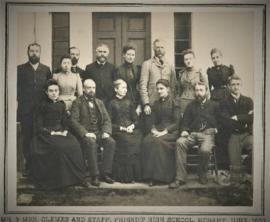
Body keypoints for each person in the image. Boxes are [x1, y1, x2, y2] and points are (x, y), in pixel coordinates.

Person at [30, 79, 89, 190]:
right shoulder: (41, 106)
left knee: (75, 144)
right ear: (46, 93)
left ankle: (78, 178)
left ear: (59, 92)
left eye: (56, 90)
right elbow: (38, 126)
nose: (54, 93)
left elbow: (65, 121)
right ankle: (61, 181)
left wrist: (65, 130)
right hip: (45, 135)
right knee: (59, 148)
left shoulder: (61, 105)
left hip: (61, 132)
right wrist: (52, 132)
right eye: (51, 91)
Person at [169, 81, 219, 188]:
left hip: (207, 135)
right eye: (197, 90)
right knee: (179, 142)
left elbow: (220, 121)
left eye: (201, 90)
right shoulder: (190, 106)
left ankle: (202, 173)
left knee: (205, 150)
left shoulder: (214, 105)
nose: (198, 93)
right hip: (192, 134)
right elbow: (185, 122)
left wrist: (216, 129)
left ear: (206, 91)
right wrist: (184, 130)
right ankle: (180, 178)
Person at [70, 79, 116, 187]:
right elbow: (73, 121)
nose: (92, 90)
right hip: (86, 134)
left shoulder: (99, 102)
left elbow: (106, 119)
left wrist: (106, 132)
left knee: (111, 142)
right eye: (89, 88)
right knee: (91, 143)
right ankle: (95, 175)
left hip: (99, 132)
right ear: (84, 89)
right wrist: (85, 133)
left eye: (93, 88)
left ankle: (105, 173)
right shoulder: (77, 102)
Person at [17, 42, 51, 176]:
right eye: (32, 51)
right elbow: (15, 89)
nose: (34, 53)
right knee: (27, 137)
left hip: (41, 111)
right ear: (28, 52)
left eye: (37, 51)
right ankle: (29, 165)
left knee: (40, 136)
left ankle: (41, 166)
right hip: (26, 110)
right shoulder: (20, 69)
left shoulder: (46, 69)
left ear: (40, 53)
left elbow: (49, 88)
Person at [141, 79, 181, 186]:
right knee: (147, 140)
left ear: (168, 89)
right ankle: (150, 176)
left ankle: (163, 177)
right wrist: (153, 129)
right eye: (157, 89)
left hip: (171, 131)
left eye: (161, 88)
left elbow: (177, 122)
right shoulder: (156, 103)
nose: (159, 91)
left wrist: (164, 132)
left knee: (158, 142)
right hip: (158, 129)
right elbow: (153, 120)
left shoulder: (175, 102)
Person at [219, 74, 253, 185]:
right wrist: (244, 119)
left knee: (258, 150)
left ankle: (248, 169)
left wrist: (238, 117)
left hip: (247, 135)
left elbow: (252, 117)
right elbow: (225, 121)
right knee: (235, 168)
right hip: (233, 135)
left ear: (241, 85)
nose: (236, 87)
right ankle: (238, 181)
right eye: (233, 84)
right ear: (229, 86)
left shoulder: (248, 101)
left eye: (238, 84)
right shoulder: (224, 102)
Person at [108, 79, 143, 183]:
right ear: (116, 89)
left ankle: (136, 176)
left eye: (126, 88)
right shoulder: (111, 103)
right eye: (123, 88)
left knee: (138, 139)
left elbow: (136, 119)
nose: (125, 90)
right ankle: (125, 177)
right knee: (126, 141)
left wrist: (132, 126)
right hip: (118, 131)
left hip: (130, 129)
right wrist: (121, 128)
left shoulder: (129, 102)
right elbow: (108, 122)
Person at [139, 39, 177, 133]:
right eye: (157, 47)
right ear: (153, 48)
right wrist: (146, 103)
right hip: (151, 104)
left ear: (165, 49)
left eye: (162, 47)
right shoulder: (147, 64)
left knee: (165, 131)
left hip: (166, 106)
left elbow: (173, 85)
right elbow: (143, 85)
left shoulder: (170, 65)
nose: (159, 50)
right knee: (150, 131)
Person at [207, 48, 235, 171]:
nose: (215, 59)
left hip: (226, 97)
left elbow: (233, 84)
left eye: (217, 57)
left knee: (227, 126)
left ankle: (229, 162)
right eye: (213, 58)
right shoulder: (209, 71)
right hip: (215, 98)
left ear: (221, 57)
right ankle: (219, 163)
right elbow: (208, 87)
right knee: (217, 128)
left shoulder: (229, 69)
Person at [177, 49, 208, 116]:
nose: (188, 61)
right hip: (183, 102)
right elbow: (179, 90)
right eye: (186, 59)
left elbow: (207, 90)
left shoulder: (199, 73)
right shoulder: (181, 74)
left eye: (190, 59)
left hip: (196, 101)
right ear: (184, 61)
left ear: (194, 59)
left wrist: (205, 104)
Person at [114, 44, 142, 116]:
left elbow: (141, 87)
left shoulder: (138, 69)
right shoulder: (118, 70)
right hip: (123, 100)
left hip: (136, 100)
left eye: (133, 55)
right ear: (124, 55)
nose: (131, 57)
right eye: (128, 54)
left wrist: (139, 105)